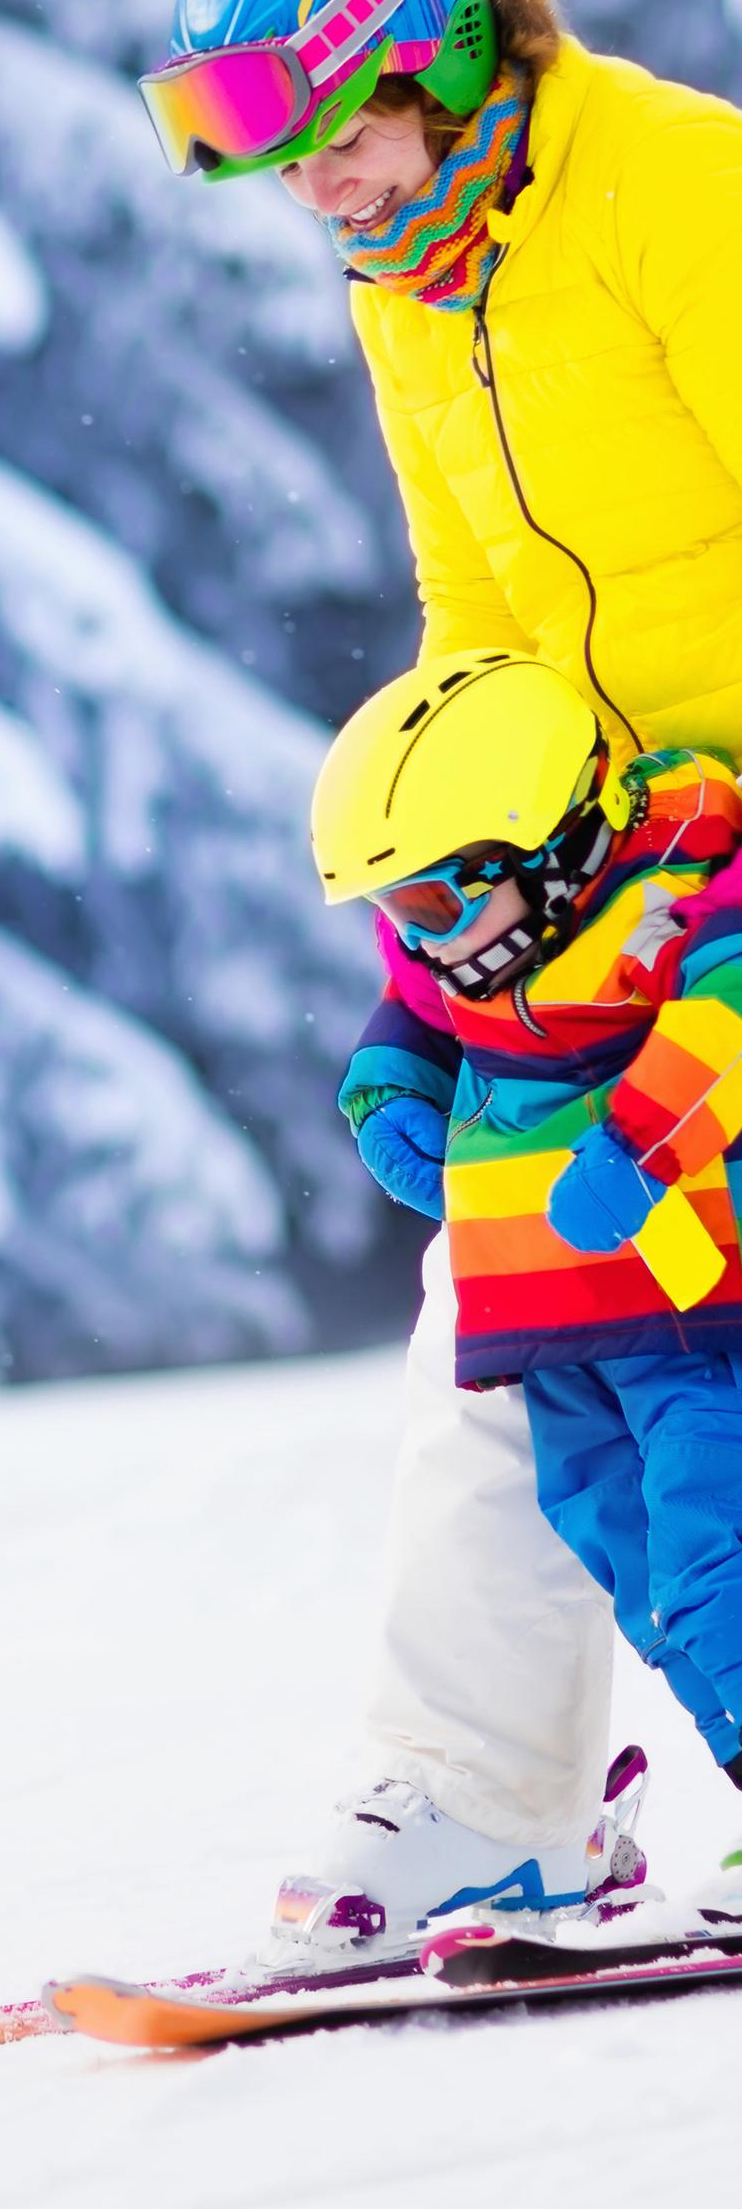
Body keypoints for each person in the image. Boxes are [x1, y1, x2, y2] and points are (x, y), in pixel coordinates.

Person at [138, 0, 742, 1943]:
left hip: (724, 874)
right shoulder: (412, 263)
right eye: (264, 157)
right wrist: (446, 939)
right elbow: (469, 613)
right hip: (610, 865)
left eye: (328, 135)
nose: (309, 191)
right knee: (495, 1309)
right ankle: (484, 1794)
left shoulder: (675, 190)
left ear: (433, 59)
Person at [308, 647, 742, 1941]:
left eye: (439, 902)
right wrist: (387, 1085)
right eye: (395, 913)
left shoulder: (666, 904)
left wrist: (643, 1140)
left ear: (548, 851)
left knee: (718, 1565)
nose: (422, 941)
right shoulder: (477, 959)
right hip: (554, 1336)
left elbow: (727, 1011)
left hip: (686, 1321)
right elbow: (419, 1015)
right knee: (651, 1589)